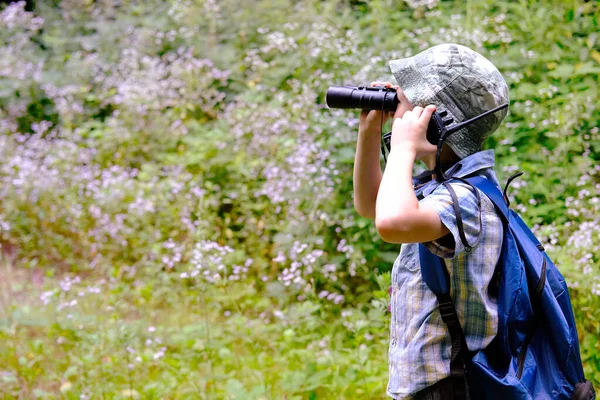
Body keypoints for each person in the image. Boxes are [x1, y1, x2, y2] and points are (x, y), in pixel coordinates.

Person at [353, 43, 509, 400]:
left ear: (437, 122)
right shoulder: (439, 186)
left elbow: (391, 223)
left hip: (451, 386)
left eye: (404, 103)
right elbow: (372, 206)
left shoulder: (469, 199)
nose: (396, 111)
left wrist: (405, 149)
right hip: (428, 383)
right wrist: (369, 131)